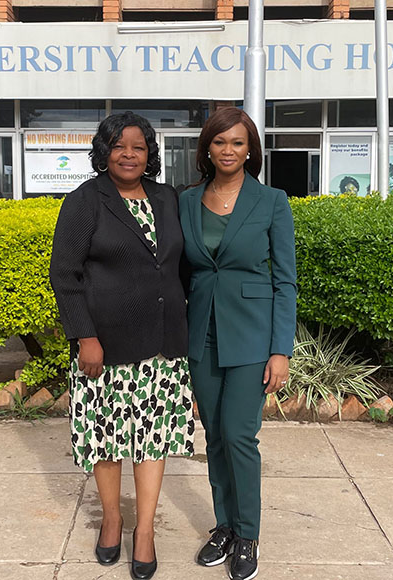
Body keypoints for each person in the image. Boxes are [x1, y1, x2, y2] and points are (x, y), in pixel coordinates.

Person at [50, 111, 194, 580]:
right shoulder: (84, 202)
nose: (129, 153)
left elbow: (178, 268)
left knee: (152, 443)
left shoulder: (166, 197)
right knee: (108, 442)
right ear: (104, 151)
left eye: (138, 145)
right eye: (118, 145)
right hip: (105, 349)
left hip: (162, 347)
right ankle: (112, 520)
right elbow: (64, 276)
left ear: (150, 153)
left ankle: (146, 531)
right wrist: (84, 337)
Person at [178, 107, 297, 580]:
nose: (229, 150)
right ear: (207, 147)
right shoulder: (187, 201)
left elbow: (285, 281)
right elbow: (180, 270)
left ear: (251, 151)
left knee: (239, 436)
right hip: (201, 333)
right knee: (214, 436)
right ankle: (224, 526)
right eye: (221, 142)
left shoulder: (271, 201)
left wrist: (280, 349)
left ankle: (248, 535)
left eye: (238, 143)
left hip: (251, 334)